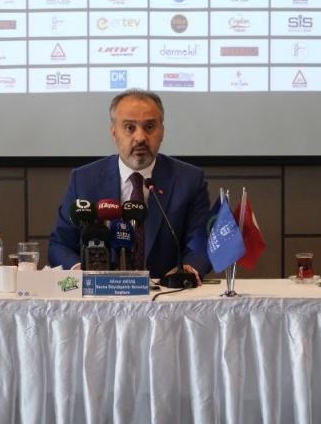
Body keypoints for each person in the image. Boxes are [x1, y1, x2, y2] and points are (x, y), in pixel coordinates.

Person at [48, 89, 211, 282]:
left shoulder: (189, 180)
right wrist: (80, 271)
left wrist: (188, 269)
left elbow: (201, 243)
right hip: (100, 291)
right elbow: (60, 245)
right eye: (129, 127)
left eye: (149, 127)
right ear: (114, 132)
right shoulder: (84, 180)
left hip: (166, 294)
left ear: (162, 131)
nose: (140, 137)